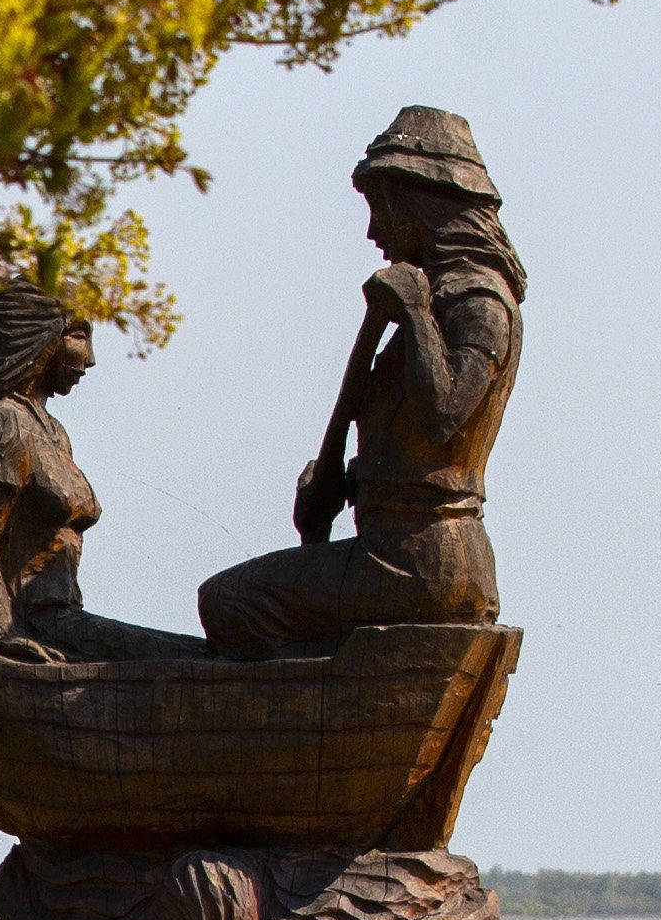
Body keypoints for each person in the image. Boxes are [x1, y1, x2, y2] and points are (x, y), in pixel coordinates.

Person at [196, 107, 521, 658]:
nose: (374, 231)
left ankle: (306, 716)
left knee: (229, 601)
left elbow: (444, 417)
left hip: (417, 559)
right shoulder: (445, 296)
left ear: (419, 204)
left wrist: (415, 311)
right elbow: (404, 433)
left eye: (382, 210)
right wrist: (341, 479)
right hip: (402, 548)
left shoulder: (478, 302)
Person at [0, 267, 109, 660]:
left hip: (66, 618)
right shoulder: (5, 422)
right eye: (79, 335)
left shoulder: (53, 432)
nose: (89, 360)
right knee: (172, 659)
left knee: (189, 654)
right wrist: (6, 633)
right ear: (37, 337)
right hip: (31, 622)